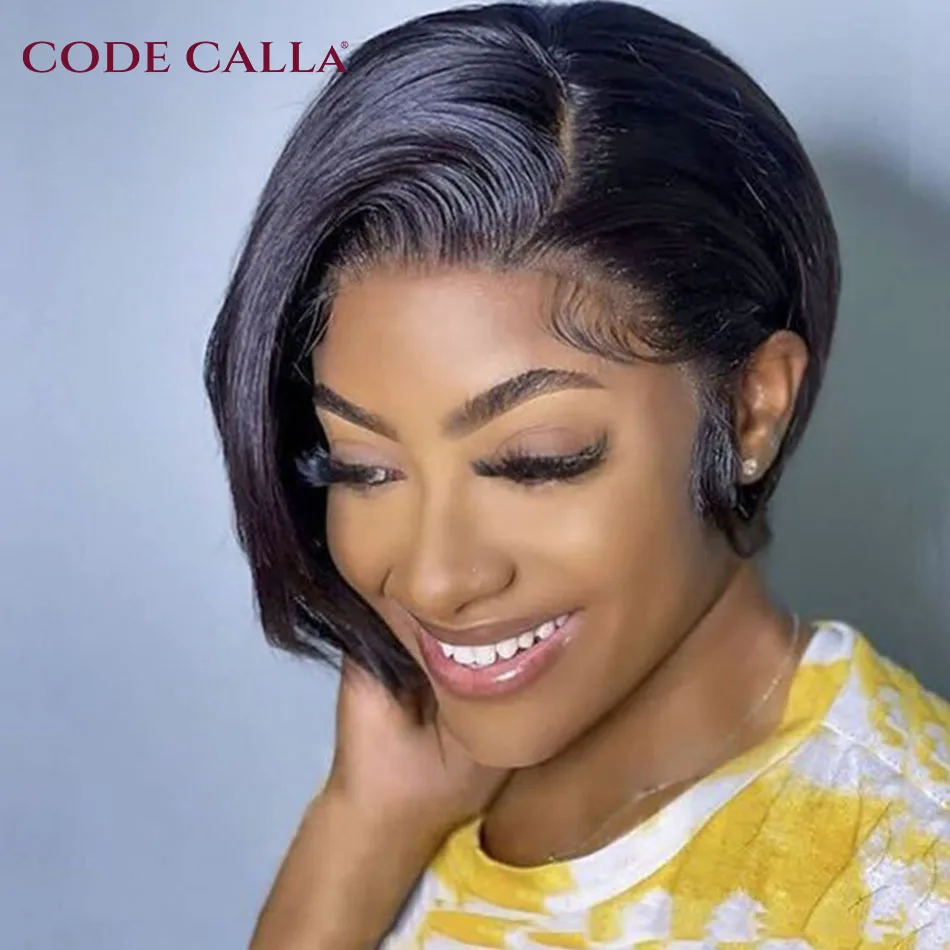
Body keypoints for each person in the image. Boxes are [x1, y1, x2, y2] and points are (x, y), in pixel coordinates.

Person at [202, 1, 950, 946]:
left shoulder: (905, 881)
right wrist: (366, 825)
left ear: (751, 409)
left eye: (536, 462)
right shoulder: (415, 776)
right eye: (362, 468)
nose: (434, 579)